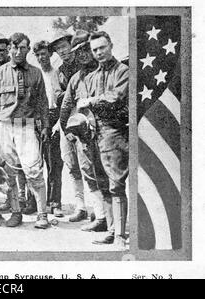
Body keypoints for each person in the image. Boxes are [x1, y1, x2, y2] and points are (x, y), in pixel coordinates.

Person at [0, 32, 51, 229]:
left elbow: (43, 103)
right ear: (9, 49)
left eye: (23, 48)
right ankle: (16, 212)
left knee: (33, 170)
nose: (18, 52)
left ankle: (42, 214)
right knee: (7, 172)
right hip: (3, 127)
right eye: (15, 48)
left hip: (25, 127)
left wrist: (44, 126)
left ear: (28, 49)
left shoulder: (36, 73)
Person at [77, 31, 129, 248]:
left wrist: (91, 101)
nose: (99, 52)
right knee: (103, 184)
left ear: (111, 46)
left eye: (102, 47)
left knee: (116, 184)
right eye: (95, 49)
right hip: (93, 135)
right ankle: (111, 230)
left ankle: (120, 235)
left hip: (114, 133)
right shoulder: (89, 77)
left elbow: (116, 98)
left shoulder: (123, 71)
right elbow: (80, 103)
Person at [59, 30, 110, 232]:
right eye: (78, 51)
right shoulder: (76, 79)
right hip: (86, 138)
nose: (83, 55)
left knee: (108, 176)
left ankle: (112, 220)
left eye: (85, 49)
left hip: (106, 134)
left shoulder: (107, 73)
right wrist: (68, 131)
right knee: (89, 174)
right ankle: (101, 216)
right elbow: (65, 108)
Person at [0, 33, 28, 212]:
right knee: (3, 161)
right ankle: (11, 198)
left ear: (8, 49)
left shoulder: (20, 69)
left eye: (1, 50)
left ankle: (24, 197)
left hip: (19, 122)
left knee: (22, 162)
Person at [49, 30, 88, 223]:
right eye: (57, 50)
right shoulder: (58, 72)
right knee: (71, 164)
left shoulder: (85, 66)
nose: (62, 52)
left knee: (90, 163)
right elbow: (58, 97)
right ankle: (81, 207)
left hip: (87, 117)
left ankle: (99, 208)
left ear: (71, 45)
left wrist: (70, 94)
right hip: (66, 118)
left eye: (64, 46)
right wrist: (73, 94)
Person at [32, 40, 64, 220]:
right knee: (34, 162)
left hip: (53, 116)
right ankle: (35, 202)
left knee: (54, 163)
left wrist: (58, 121)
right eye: (37, 55)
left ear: (50, 54)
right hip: (37, 118)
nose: (41, 57)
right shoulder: (34, 74)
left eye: (43, 53)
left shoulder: (57, 73)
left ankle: (55, 202)